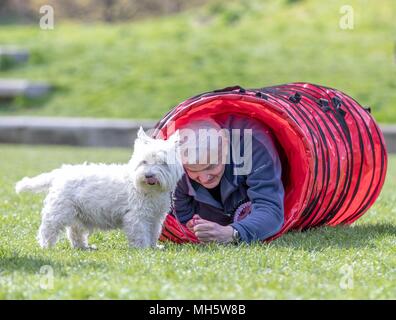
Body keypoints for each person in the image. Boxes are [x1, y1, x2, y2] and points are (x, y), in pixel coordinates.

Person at [172, 114, 285, 244]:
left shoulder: (252, 145)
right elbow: (177, 214)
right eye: (193, 170)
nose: (204, 179)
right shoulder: (175, 161)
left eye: (211, 166)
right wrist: (191, 225)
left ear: (226, 144)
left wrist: (233, 233)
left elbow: (271, 209)